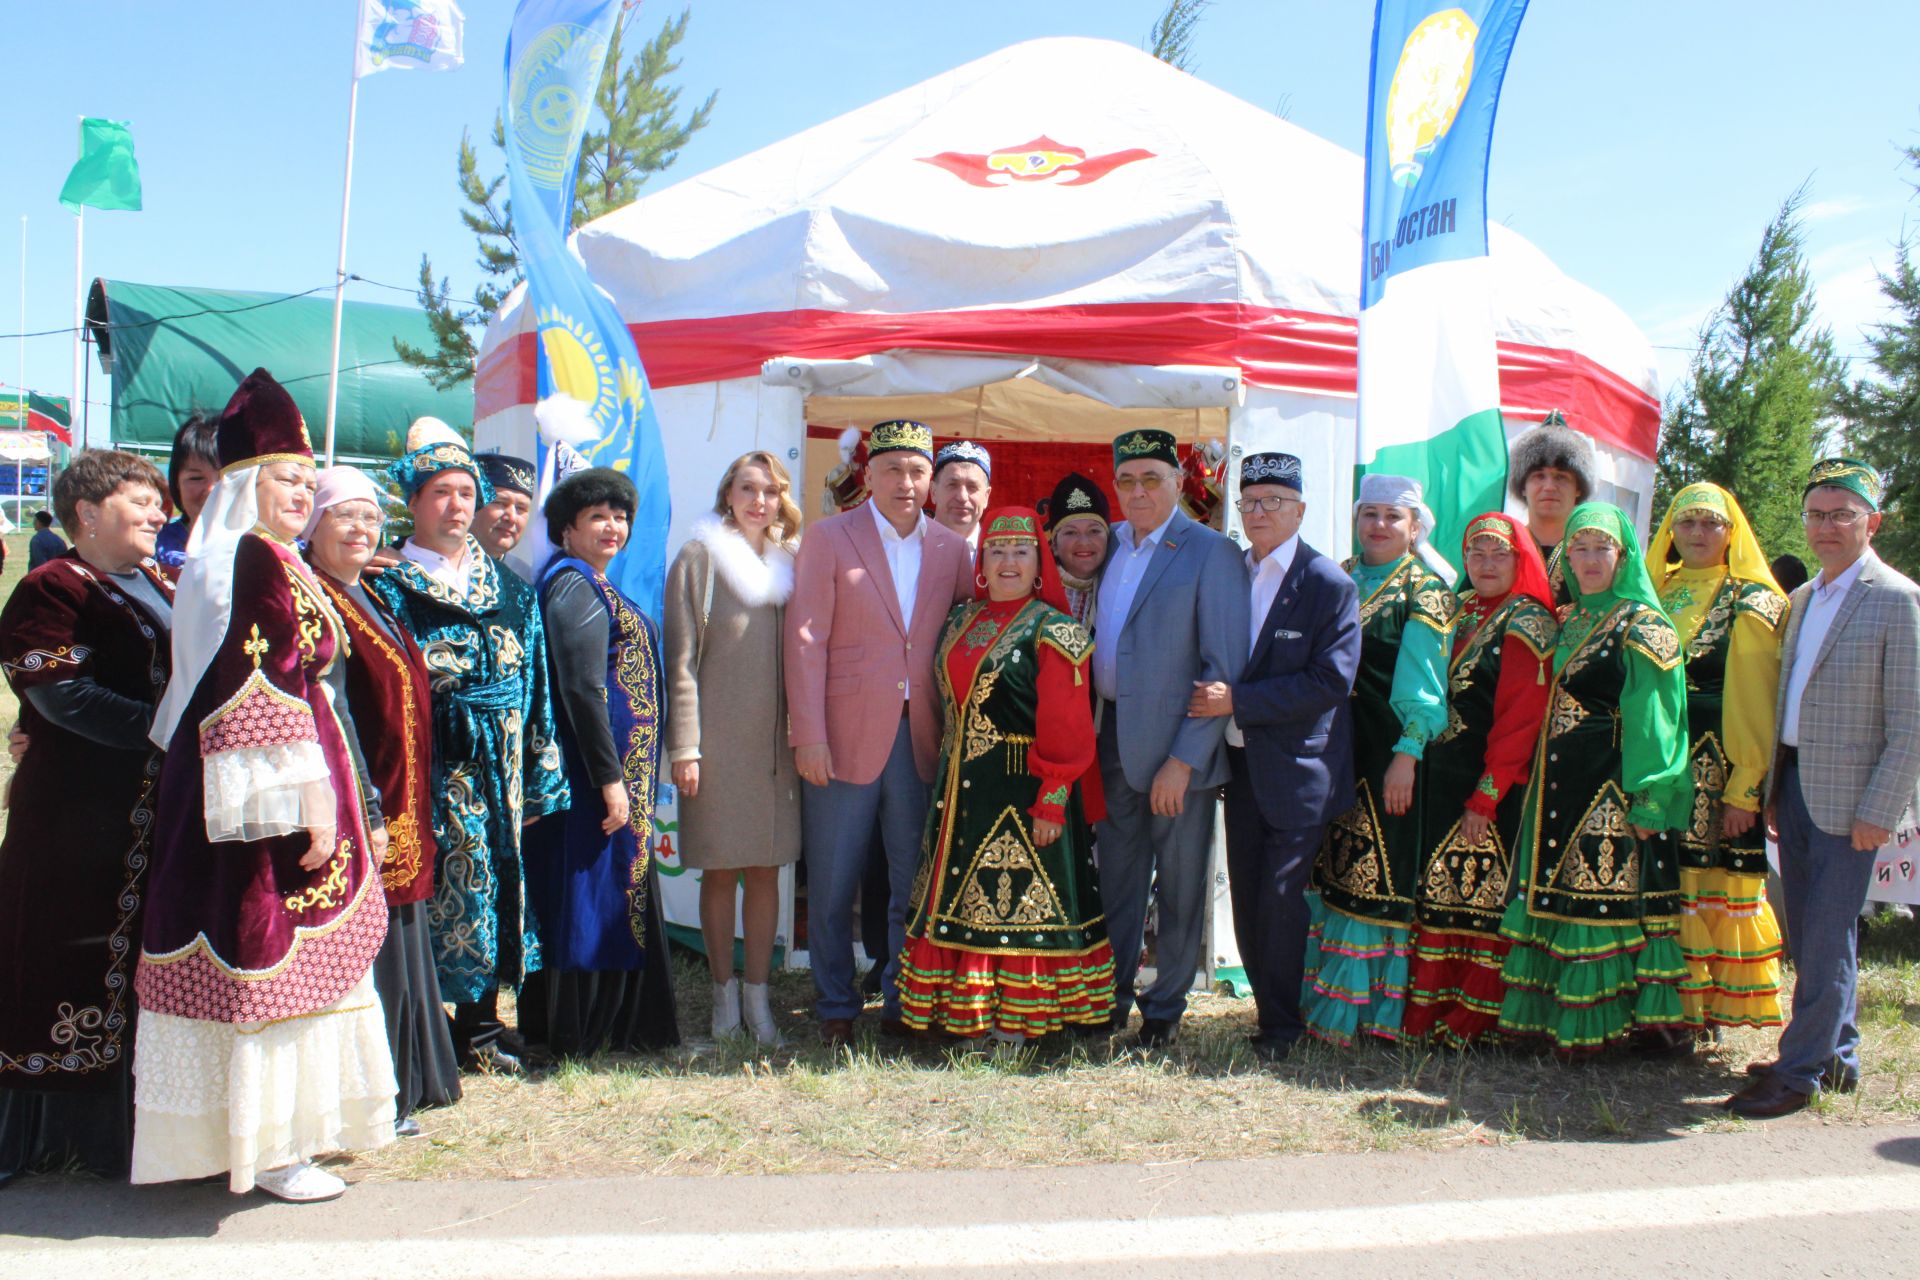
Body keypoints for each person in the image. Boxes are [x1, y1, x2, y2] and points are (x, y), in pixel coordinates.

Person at [132, 369, 394, 1202]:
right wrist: (305, 808)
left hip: (279, 782)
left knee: (290, 966)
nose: (303, 494)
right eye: (288, 479)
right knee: (262, 957)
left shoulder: (266, 558)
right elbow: (252, 692)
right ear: (247, 481)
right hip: (256, 803)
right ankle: (269, 1147)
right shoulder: (243, 561)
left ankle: (284, 1134)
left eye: (309, 482)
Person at [369, 418, 569, 1073]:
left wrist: (541, 777)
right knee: (433, 891)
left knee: (496, 890)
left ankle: (483, 1024)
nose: (456, 507)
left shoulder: (510, 590)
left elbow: (535, 683)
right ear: (414, 502)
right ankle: (426, 1026)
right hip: (426, 771)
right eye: (441, 494)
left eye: (465, 493)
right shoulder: (387, 586)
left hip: (501, 771)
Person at [1727, 459, 1920, 1118]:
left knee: (1825, 937)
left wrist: (1881, 809)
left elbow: (1911, 721)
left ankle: (1798, 1071)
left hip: (1854, 803)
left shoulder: (1897, 599)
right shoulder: (1806, 598)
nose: (1828, 526)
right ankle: (1837, 1055)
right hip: (1799, 783)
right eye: (1818, 514)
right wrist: (1777, 788)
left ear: (1873, 520)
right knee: (1812, 928)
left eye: (1843, 514)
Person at [0, 451, 172, 1184]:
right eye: (142, 501)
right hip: (75, 817)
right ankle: (51, 1130)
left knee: (132, 957)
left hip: (146, 812)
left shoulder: (163, 581)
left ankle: (123, 1133)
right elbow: (66, 699)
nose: (159, 513)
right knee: (61, 953)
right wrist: (175, 731)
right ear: (89, 514)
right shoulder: (51, 587)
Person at [785, 420, 973, 1045]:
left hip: (922, 737)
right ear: (868, 475)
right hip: (840, 737)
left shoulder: (952, 549)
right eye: (892, 469)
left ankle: (903, 998)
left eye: (918, 471)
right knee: (834, 883)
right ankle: (836, 1002)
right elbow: (805, 640)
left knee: (909, 882)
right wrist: (807, 732)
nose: (906, 482)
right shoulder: (830, 537)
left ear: (931, 482)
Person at [898, 507, 1111, 1039]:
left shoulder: (1053, 630)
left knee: (1013, 909)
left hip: (1022, 792)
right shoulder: (959, 620)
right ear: (981, 562)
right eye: (997, 551)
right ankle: (965, 1018)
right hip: (960, 795)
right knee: (964, 904)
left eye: (1020, 551)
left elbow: (1068, 725)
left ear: (1040, 562)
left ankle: (1016, 1023)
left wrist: (1053, 800)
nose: (1008, 561)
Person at [1493, 501, 1691, 1054]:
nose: (1588, 558)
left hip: (1611, 787)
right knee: (1556, 896)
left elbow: (1657, 719)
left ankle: (1607, 1030)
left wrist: (1651, 796)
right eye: (1578, 548)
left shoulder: (1644, 625)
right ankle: (1549, 1022)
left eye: (1600, 547)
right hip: (1558, 785)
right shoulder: (1568, 618)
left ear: (1622, 555)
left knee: (1600, 900)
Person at [303, 467, 461, 1134]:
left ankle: (411, 1079)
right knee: (368, 948)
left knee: (401, 939)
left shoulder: (365, 591)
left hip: (402, 798)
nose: (363, 530)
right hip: (358, 803)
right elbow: (329, 714)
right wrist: (365, 807)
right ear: (313, 527)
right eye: (346, 518)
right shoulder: (315, 601)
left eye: (371, 518)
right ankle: (375, 1094)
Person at [1187, 453, 1359, 1061]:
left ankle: (1283, 1028)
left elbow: (1329, 682)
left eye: (1273, 503)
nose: (1259, 513)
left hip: (1299, 771)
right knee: (1249, 897)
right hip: (1240, 766)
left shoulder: (1327, 584)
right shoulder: (1231, 570)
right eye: (1250, 502)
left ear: (1301, 510)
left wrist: (1239, 699)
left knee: (1280, 901)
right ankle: (1270, 1012)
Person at [1091, 428, 1248, 1047]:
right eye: (1126, 480)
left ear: (1179, 483)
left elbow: (1221, 667)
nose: (1138, 491)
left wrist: (1184, 761)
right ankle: (1109, 999)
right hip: (1113, 746)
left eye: (1151, 478)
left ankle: (1164, 1011)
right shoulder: (1110, 548)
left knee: (1181, 889)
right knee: (1118, 885)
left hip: (1180, 757)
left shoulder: (1211, 552)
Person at [519, 469, 675, 1057]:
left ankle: (614, 1026)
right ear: (567, 529)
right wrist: (610, 779)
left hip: (614, 774)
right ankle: (584, 1031)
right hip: (593, 781)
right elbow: (582, 688)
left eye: (620, 516)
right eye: (597, 517)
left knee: (612, 892)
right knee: (589, 895)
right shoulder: (572, 584)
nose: (613, 526)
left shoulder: (593, 582)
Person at [1298, 475, 1456, 1045]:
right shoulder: (1340, 574)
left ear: (1415, 528)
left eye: (1393, 516)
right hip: (1332, 746)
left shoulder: (1427, 590)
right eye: (1371, 514)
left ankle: (1367, 1016)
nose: (1380, 526)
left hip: (1388, 751)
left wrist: (1407, 756)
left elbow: (1425, 684)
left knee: (1374, 876)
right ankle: (1317, 1002)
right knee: (1331, 870)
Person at [663, 451, 802, 1045]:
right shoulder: (701, 558)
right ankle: (723, 998)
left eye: (770, 491)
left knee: (766, 872)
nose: (759, 500)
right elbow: (681, 662)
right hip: (716, 747)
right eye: (748, 488)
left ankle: (758, 999)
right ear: (727, 494)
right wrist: (686, 748)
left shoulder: (790, 562)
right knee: (719, 873)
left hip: (776, 751)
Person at [1402, 513, 1556, 1046]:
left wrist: (1486, 797)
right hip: (1439, 782)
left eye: (1499, 554)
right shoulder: (1461, 609)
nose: (1486, 564)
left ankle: (1474, 1021)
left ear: (1520, 560)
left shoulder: (1527, 622)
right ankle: (1429, 1016)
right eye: (1476, 554)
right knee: (1441, 896)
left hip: (1489, 788)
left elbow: (1520, 719)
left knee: (1478, 898)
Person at [1647, 483, 1789, 1036]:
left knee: (1710, 883)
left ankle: (1704, 1011)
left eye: (1712, 523)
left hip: (1718, 766)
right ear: (1671, 532)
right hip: (1659, 767)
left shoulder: (1753, 601)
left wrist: (1745, 786)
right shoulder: (1655, 590)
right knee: (1665, 883)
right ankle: (1664, 1008)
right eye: (1688, 523)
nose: (1699, 533)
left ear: (1732, 533)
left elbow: (1756, 698)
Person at [1508, 410, 1596, 605]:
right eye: (1539, 476)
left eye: (1561, 477)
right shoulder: (1501, 548)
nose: (1549, 486)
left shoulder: (1596, 554)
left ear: (1578, 489)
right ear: (1522, 486)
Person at [1042, 472, 1114, 628]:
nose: (1084, 542)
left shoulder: (1119, 589)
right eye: (1071, 532)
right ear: (1054, 545)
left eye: (1094, 531)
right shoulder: (1036, 592)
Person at [153, 413, 219, 579]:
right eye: (196, 478)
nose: (211, 489)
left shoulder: (268, 549)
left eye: (224, 478)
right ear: (176, 483)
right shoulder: (153, 550)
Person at [931, 440, 992, 562]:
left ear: (986, 496)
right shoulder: (910, 546)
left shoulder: (997, 554)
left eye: (972, 487)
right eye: (952, 485)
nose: (962, 497)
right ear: (933, 491)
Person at [474, 452, 537, 565]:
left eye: (520, 508)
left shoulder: (524, 577)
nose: (512, 517)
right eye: (500, 503)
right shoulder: (439, 569)